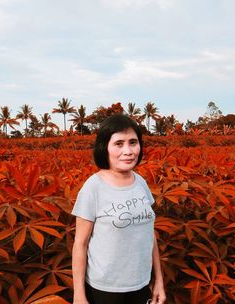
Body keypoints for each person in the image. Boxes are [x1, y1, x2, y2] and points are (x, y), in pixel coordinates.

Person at [72, 114, 166, 304]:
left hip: (141, 284)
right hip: (105, 289)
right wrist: (79, 295)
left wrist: (159, 281)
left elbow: (149, 234)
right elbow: (80, 245)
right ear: (104, 147)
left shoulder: (140, 182)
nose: (128, 150)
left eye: (133, 142)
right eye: (119, 143)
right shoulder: (93, 187)